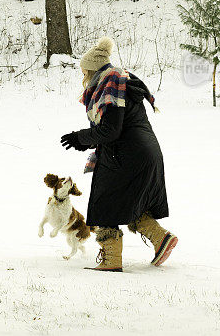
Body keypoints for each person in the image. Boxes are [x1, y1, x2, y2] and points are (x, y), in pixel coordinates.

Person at [60, 37, 177, 272]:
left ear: (94, 71)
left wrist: (80, 137)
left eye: (84, 72)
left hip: (127, 155)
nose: (83, 77)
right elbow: (114, 128)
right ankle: (160, 239)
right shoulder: (120, 83)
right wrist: (86, 142)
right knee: (128, 200)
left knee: (103, 202)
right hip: (143, 152)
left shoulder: (111, 88)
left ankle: (111, 260)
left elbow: (110, 130)